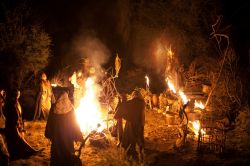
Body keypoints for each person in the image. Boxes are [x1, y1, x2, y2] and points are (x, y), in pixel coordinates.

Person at [45, 88, 83, 166]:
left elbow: (50, 122)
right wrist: (78, 136)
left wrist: (49, 133)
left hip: (56, 137)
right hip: (68, 137)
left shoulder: (53, 108)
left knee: (57, 153)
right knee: (68, 152)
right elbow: (74, 124)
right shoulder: (70, 108)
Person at [3, 89, 38, 160]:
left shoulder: (15, 102)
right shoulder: (12, 103)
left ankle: (23, 152)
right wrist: (17, 122)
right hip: (12, 124)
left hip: (14, 123)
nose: (19, 95)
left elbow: (18, 114)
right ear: (15, 95)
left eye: (18, 93)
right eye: (17, 94)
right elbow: (14, 114)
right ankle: (30, 151)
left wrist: (20, 122)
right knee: (18, 139)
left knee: (16, 139)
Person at [114, 89, 145, 159]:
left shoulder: (131, 103)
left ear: (133, 96)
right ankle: (139, 146)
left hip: (132, 125)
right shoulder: (142, 102)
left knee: (130, 133)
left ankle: (129, 147)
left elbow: (120, 110)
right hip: (140, 123)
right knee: (138, 136)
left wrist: (121, 102)